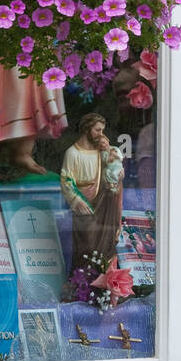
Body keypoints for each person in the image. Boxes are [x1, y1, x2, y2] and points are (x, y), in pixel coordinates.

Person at [60, 112, 124, 269]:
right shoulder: (73, 153)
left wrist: (119, 175)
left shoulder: (101, 152)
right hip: (84, 204)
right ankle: (83, 282)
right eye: (97, 130)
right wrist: (76, 200)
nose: (101, 134)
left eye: (102, 130)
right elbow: (66, 180)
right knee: (86, 247)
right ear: (87, 129)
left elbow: (111, 171)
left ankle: (103, 279)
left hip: (103, 204)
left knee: (105, 246)